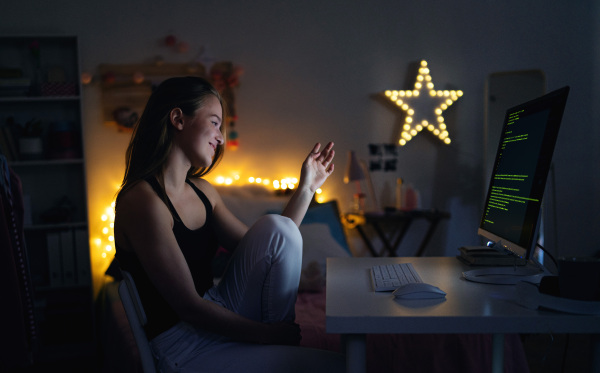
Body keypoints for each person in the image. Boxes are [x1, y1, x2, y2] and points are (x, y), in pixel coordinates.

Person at [114, 76, 345, 372]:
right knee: (338, 367)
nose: (220, 137)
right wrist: (266, 334)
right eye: (214, 123)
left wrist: (307, 189)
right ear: (178, 119)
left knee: (275, 228)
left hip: (221, 312)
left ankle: (280, 342)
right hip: (184, 345)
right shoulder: (141, 201)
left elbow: (274, 246)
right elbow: (188, 306)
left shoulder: (203, 191)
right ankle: (280, 343)